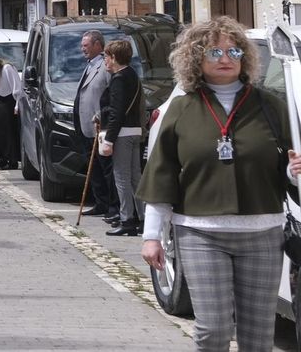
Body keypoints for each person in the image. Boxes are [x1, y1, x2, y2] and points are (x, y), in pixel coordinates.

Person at [139, 17, 301, 352]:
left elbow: (285, 167)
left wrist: (292, 170)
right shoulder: (181, 108)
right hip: (200, 233)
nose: (225, 57)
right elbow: (162, 174)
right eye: (214, 51)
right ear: (195, 57)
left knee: (257, 337)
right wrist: (152, 237)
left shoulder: (270, 106)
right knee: (213, 330)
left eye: (234, 50)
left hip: (263, 234)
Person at [99, 39, 145, 236]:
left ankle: (127, 219)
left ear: (114, 57)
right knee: (136, 178)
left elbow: (117, 112)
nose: (105, 62)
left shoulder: (118, 79)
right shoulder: (132, 74)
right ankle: (142, 218)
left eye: (106, 57)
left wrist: (108, 139)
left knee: (122, 179)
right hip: (135, 130)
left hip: (123, 133)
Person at [76, 29, 118, 221]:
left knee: (106, 168)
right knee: (94, 169)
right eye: (82, 45)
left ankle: (112, 206)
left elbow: (111, 94)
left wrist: (101, 115)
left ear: (97, 45)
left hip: (100, 125)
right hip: (86, 125)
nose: (82, 49)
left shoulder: (104, 65)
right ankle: (100, 203)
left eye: (86, 45)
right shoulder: (89, 64)